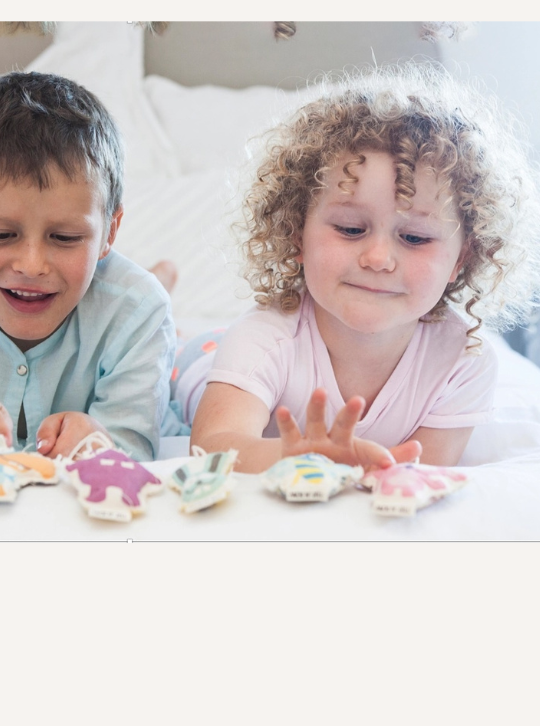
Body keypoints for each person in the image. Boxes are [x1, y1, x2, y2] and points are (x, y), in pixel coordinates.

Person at [184, 63, 540, 472]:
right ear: (297, 233)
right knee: (180, 354)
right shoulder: (265, 338)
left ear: (461, 258)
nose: (378, 258)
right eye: (351, 228)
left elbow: (421, 479)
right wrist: (300, 458)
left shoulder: (463, 361)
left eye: (415, 238)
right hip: (202, 358)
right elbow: (211, 447)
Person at [0, 71, 180, 462]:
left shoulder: (140, 311)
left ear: (110, 233)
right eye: (0, 235)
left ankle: (162, 276)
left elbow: (134, 449)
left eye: (65, 238)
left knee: (155, 309)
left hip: (125, 296)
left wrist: (103, 444)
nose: (32, 265)